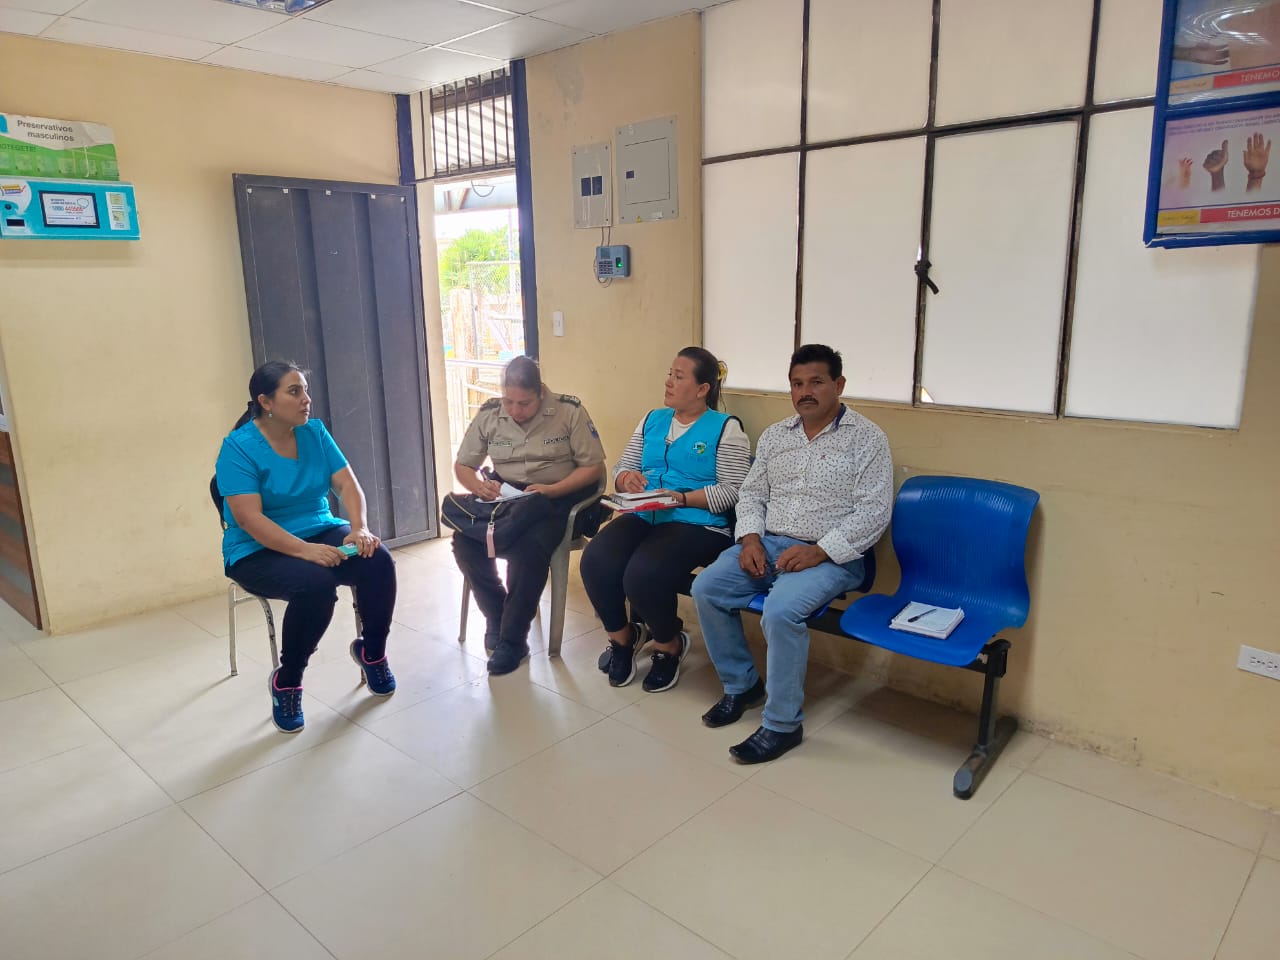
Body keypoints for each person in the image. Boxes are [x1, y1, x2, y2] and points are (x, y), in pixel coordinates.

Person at [691, 344, 893, 764]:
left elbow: (874, 513)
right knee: (707, 587)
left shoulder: (867, 438)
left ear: (839, 385)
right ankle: (742, 686)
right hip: (767, 545)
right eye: (797, 384)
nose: (805, 392)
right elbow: (751, 495)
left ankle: (782, 725)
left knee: (781, 610)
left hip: (833, 555)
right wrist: (749, 539)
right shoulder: (775, 436)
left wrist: (820, 551)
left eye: (816, 382)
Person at [215, 361, 398, 734]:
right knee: (315, 585)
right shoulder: (237, 449)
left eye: (305, 390)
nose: (306, 399)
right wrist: (304, 551)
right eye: (294, 391)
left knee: (376, 559)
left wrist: (359, 528)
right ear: (266, 401)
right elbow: (249, 519)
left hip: (319, 529)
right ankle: (288, 680)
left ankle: (373, 652)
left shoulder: (314, 433)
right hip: (255, 549)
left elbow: (347, 485)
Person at [581, 347, 751, 692]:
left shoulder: (725, 428)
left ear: (702, 389)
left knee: (644, 572)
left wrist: (684, 498)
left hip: (698, 521)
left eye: (678, 376)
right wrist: (625, 478)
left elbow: (735, 491)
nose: (668, 382)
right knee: (596, 559)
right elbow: (624, 466)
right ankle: (623, 639)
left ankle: (668, 644)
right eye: (669, 374)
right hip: (646, 514)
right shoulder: (652, 420)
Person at [451, 355, 606, 676]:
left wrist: (552, 490)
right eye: (508, 401)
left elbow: (593, 468)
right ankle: (497, 614)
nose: (515, 410)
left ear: (540, 392)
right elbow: (463, 465)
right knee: (465, 541)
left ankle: (512, 640)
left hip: (556, 497)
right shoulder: (490, 413)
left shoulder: (569, 411)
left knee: (528, 548)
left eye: (524, 403)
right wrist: (479, 487)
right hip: (506, 497)